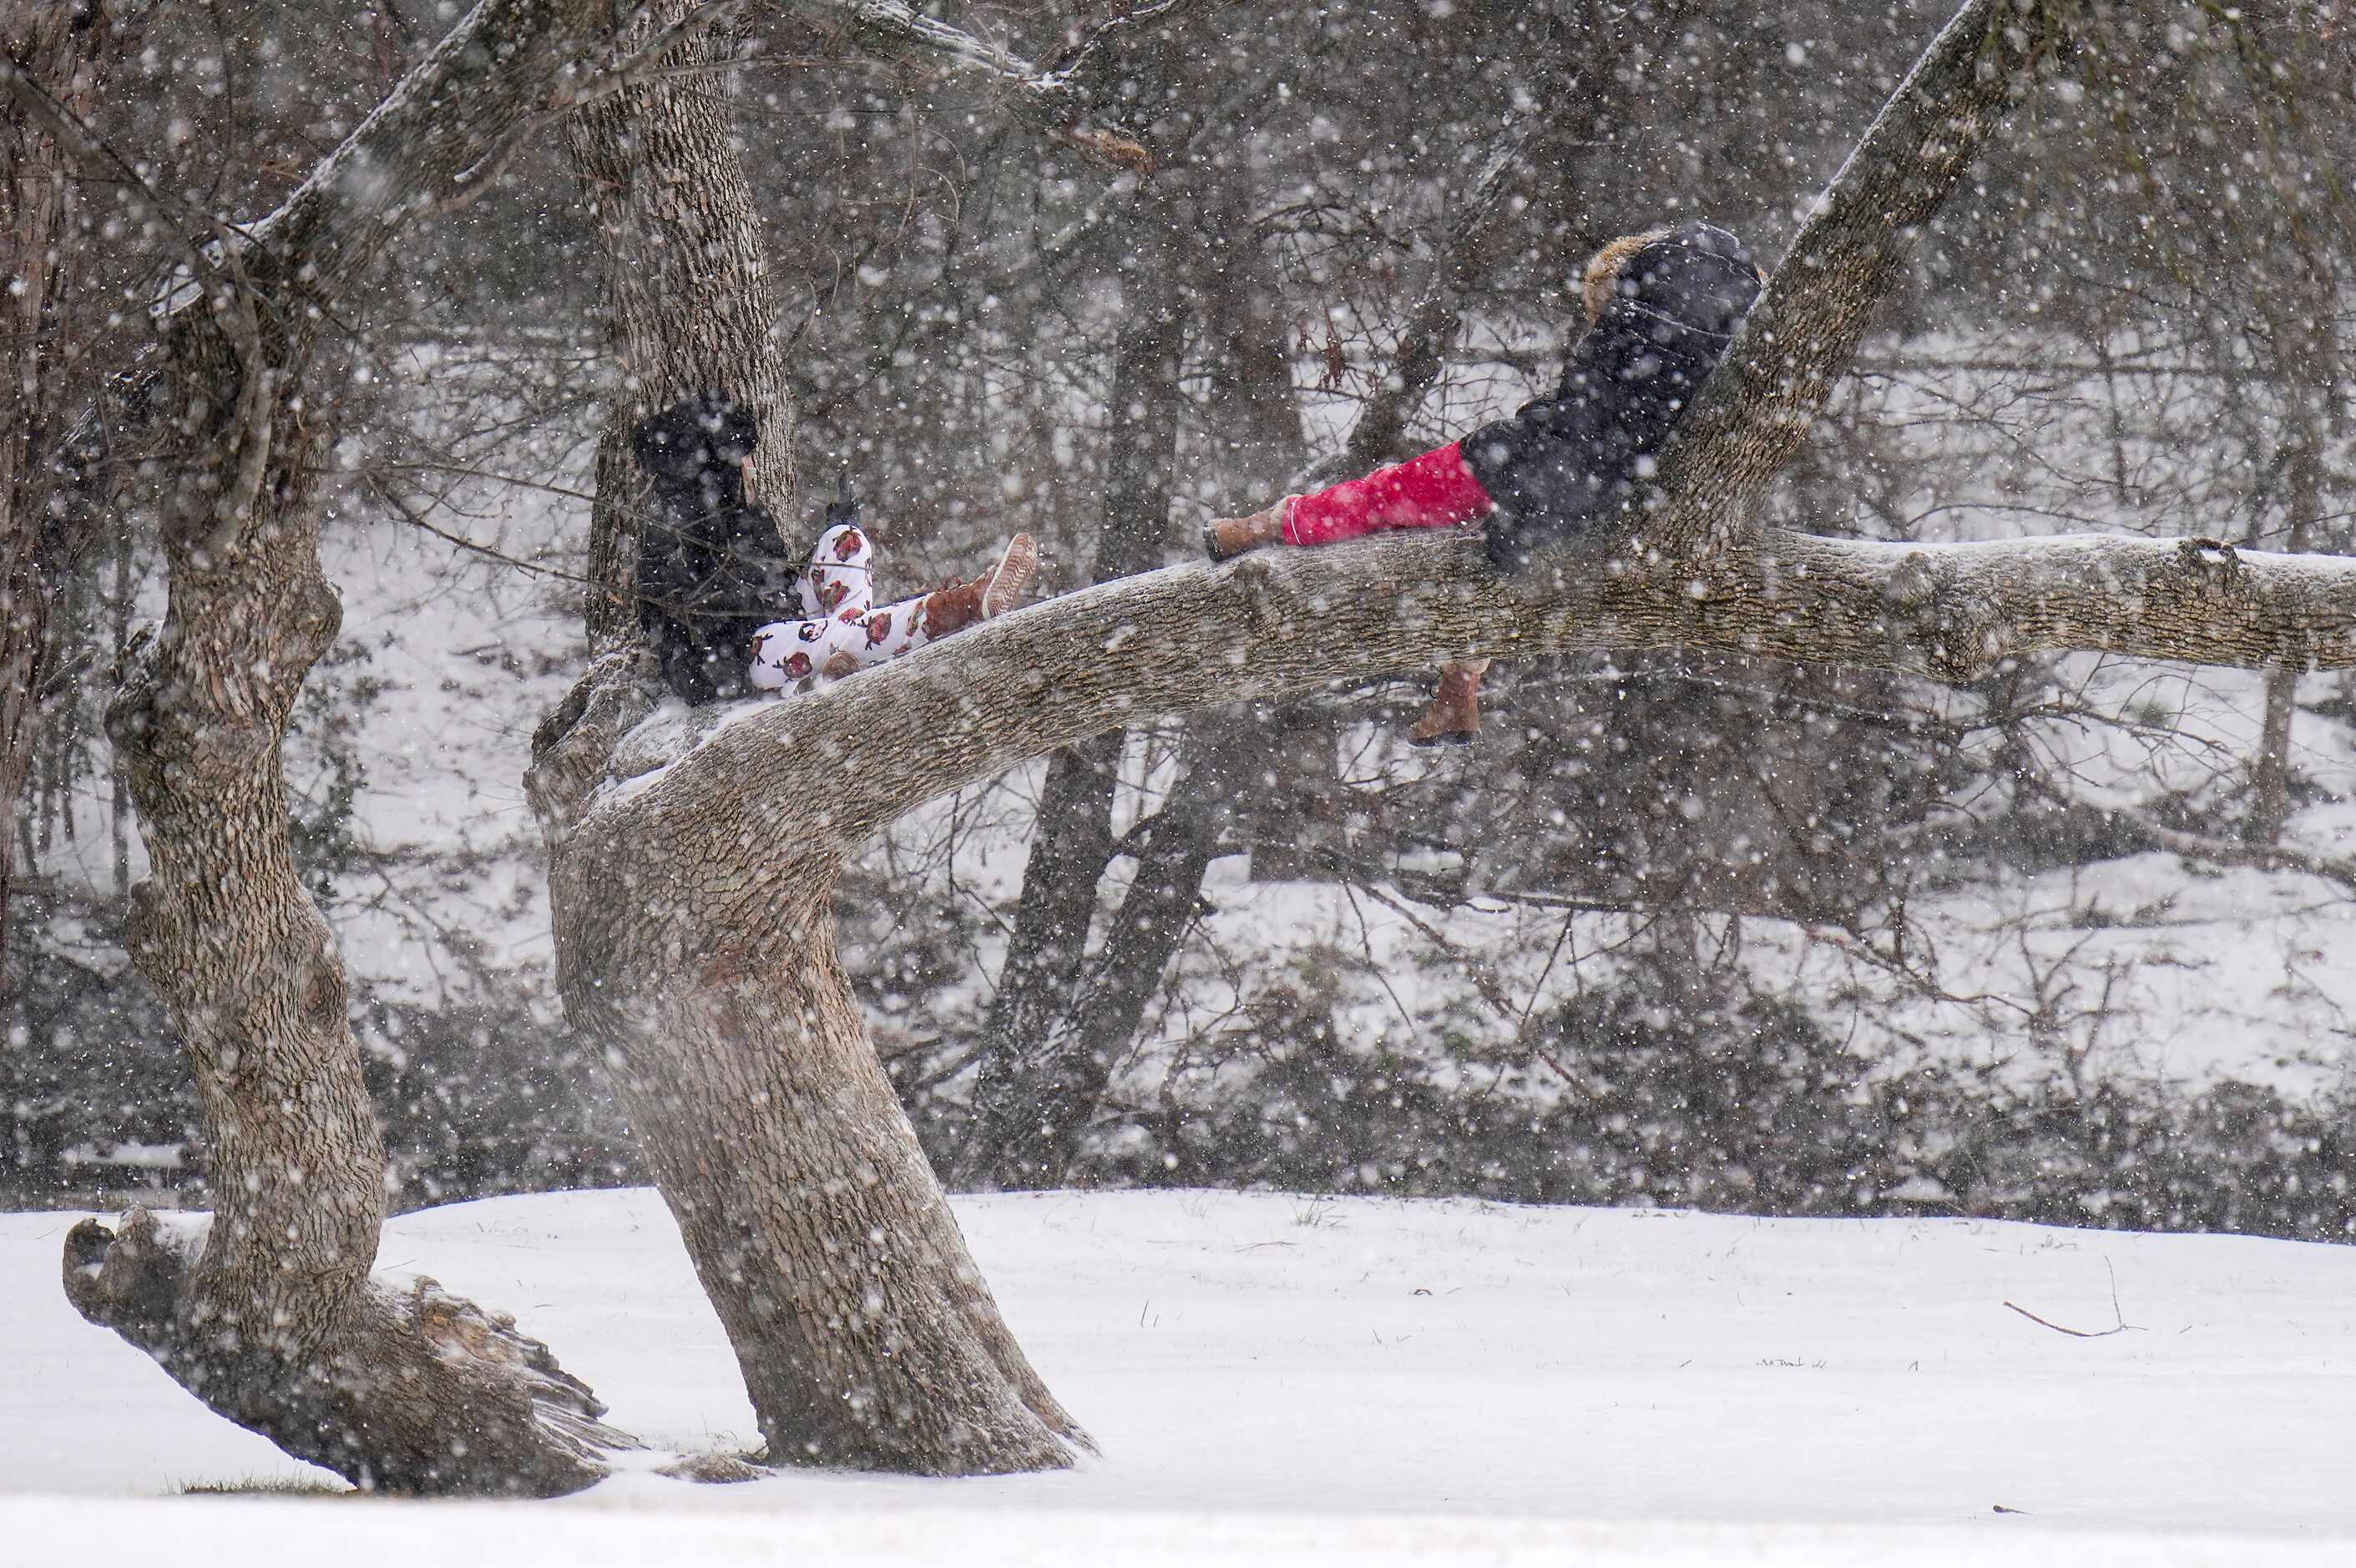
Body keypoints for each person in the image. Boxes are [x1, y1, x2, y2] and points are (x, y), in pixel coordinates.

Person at [1201, 221, 1763, 743]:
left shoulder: (1635, 324)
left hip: (1539, 459)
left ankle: (1268, 525)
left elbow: (1583, 414)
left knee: (1392, 497)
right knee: (1517, 567)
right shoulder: (1716, 307)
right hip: (1622, 488)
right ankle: (1459, 689)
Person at [630, 391, 1037, 704]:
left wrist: (837, 526)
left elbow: (775, 574)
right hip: (735, 658)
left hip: (783, 619)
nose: (750, 468)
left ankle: (841, 659)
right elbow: (683, 621)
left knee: (847, 540)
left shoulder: (739, 510)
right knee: (835, 634)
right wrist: (733, 604)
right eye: (742, 460)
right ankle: (962, 604)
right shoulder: (670, 528)